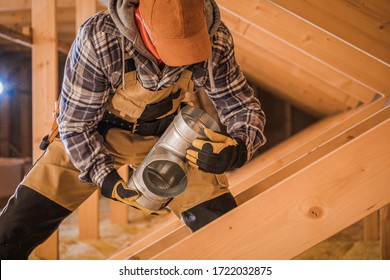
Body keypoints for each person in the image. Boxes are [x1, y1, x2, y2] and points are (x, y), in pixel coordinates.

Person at [0, 0, 266, 259]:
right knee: (12, 231)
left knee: (222, 225)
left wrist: (240, 148)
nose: (174, 61)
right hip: (93, 132)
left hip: (167, 134)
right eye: (170, 48)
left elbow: (242, 107)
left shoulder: (216, 39)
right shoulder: (100, 37)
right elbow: (76, 124)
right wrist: (104, 177)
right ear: (139, 19)